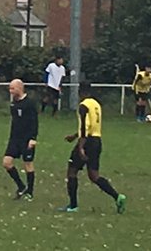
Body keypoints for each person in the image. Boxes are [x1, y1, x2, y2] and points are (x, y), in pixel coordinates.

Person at [61, 81, 126, 214]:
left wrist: (81, 147)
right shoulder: (96, 104)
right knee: (94, 176)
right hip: (97, 141)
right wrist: (74, 136)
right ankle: (117, 197)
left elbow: (85, 127)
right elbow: (92, 126)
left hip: (87, 142)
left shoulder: (83, 106)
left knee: (72, 171)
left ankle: (73, 206)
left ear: (80, 92)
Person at [3, 78, 38, 200]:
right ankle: (21, 186)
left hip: (27, 139)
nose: (11, 91)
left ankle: (30, 192)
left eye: (12, 88)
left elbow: (34, 122)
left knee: (28, 164)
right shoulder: (13, 104)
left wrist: (33, 138)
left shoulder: (29, 103)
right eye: (10, 88)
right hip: (15, 139)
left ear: (19, 88)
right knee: (7, 163)